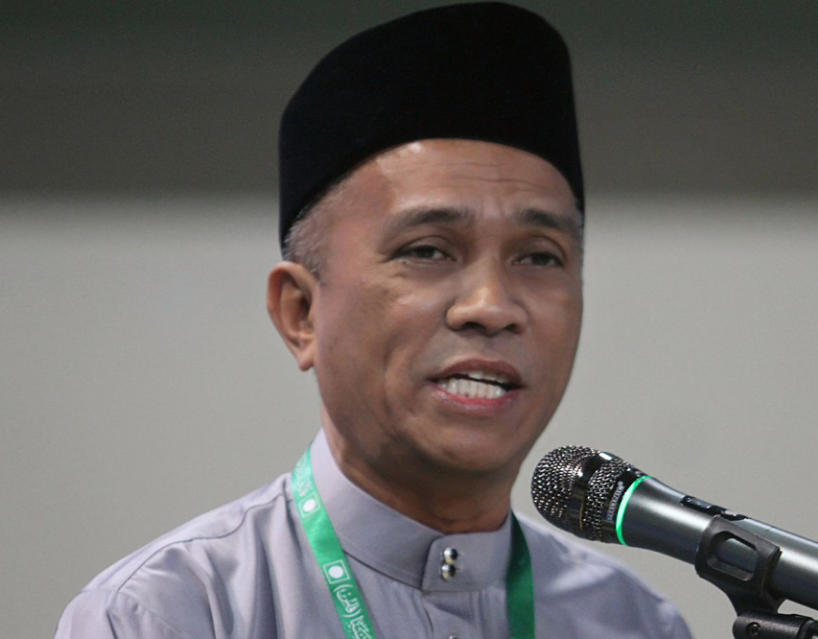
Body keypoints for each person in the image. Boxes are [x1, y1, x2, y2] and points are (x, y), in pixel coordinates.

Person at [56, 4, 693, 638]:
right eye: (427, 251)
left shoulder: (631, 623)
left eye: (538, 257)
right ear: (300, 313)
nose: (492, 306)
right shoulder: (172, 614)